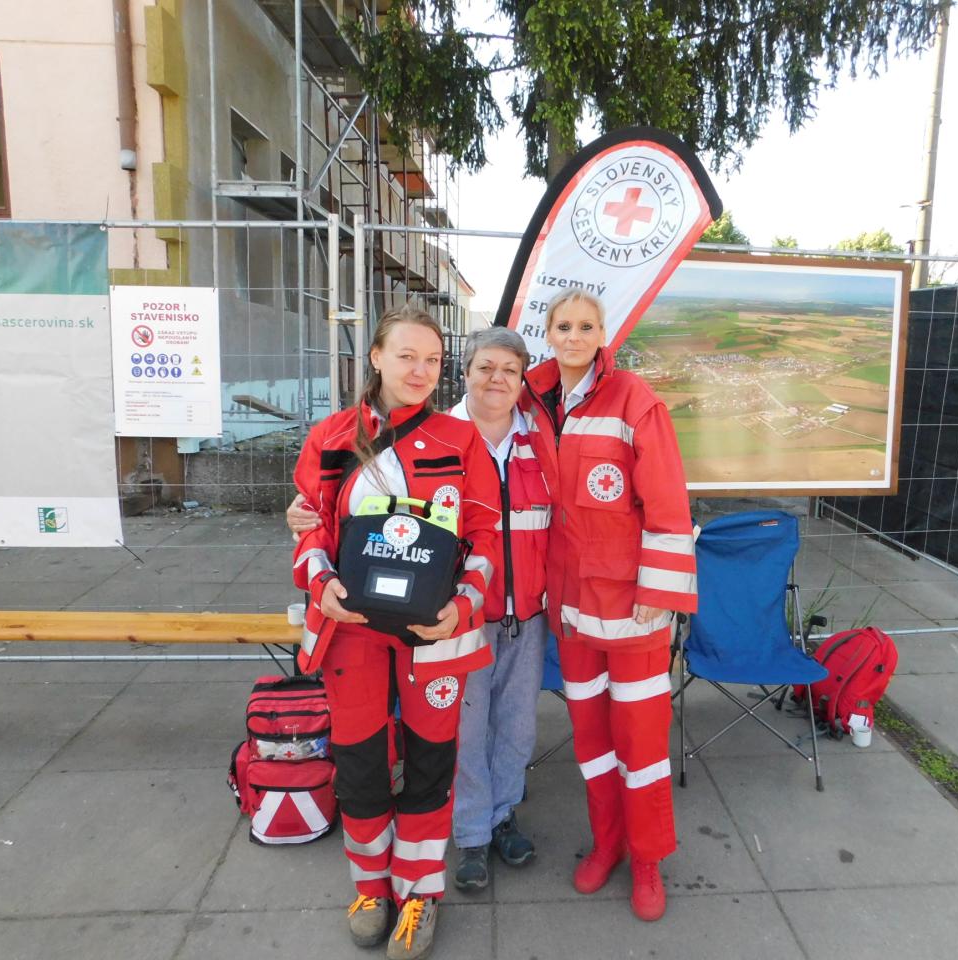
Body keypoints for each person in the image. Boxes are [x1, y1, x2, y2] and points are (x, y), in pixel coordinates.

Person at [291, 327, 554, 892]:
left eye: (431, 359)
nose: (420, 370)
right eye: (406, 356)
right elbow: (312, 526)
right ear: (376, 356)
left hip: (437, 636)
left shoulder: (459, 439)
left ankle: (417, 889)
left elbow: (483, 534)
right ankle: (369, 888)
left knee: (432, 765)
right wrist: (322, 583)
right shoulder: (331, 436)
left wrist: (463, 604)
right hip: (352, 633)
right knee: (360, 765)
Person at [523, 288, 698, 922]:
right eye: (563, 326)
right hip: (571, 608)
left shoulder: (635, 401)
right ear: (548, 332)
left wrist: (660, 593)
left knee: (641, 743)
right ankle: (608, 844)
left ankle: (647, 860)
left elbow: (668, 503)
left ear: (603, 335)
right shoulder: (531, 399)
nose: (573, 336)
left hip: (631, 611)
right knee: (593, 740)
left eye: (585, 326)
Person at [446, 327, 552, 890]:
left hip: (527, 613)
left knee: (516, 725)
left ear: (521, 380)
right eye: (486, 367)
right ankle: (470, 835)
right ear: (465, 372)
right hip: (460, 618)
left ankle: (503, 814)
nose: (497, 379)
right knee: (465, 729)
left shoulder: (540, 439)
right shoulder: (437, 439)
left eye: (510, 370)